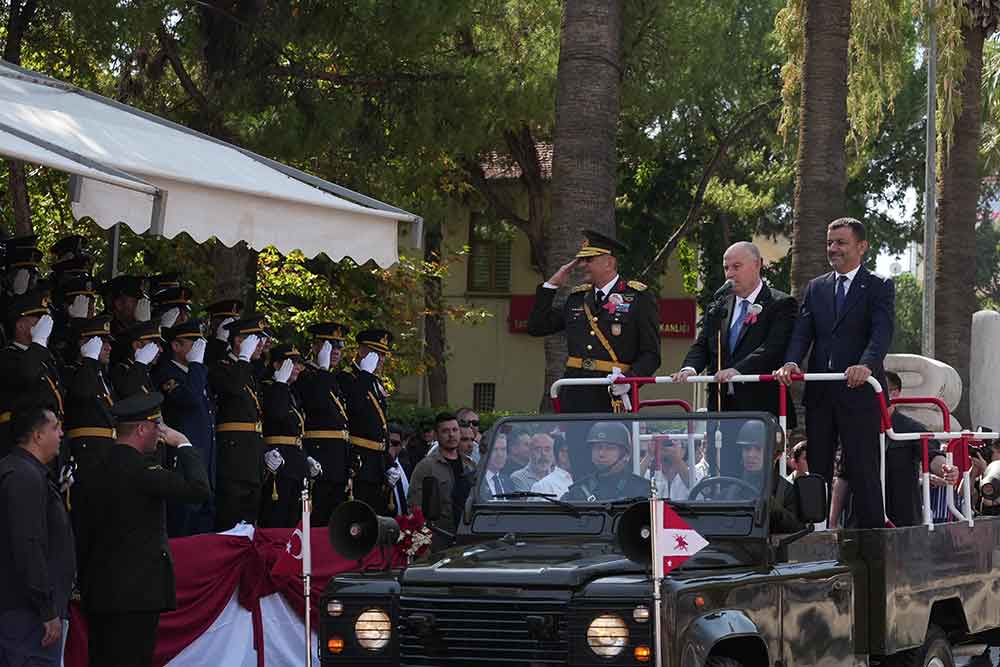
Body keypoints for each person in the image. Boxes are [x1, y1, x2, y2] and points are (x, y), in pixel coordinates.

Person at [776, 217, 895, 529]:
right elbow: (802, 334)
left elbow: (881, 333)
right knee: (817, 469)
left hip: (859, 393)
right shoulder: (816, 287)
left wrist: (866, 365)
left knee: (862, 468)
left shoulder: (879, 286)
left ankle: (872, 540)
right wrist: (790, 362)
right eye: (830, 242)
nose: (833, 249)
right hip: (821, 394)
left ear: (861, 247)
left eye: (840, 242)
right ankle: (814, 535)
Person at [77, 392, 209, 667]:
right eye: (156, 425)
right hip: (136, 596)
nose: (160, 432)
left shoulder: (94, 466)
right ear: (141, 428)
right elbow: (198, 490)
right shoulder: (142, 469)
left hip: (98, 590)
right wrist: (184, 444)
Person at [527, 229, 661, 413]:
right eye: (582, 260)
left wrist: (630, 380)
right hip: (574, 392)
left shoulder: (637, 297)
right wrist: (551, 285)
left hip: (612, 393)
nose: (582, 265)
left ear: (609, 262)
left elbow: (651, 354)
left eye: (588, 260)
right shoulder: (577, 297)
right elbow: (537, 326)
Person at [673, 242, 797, 428]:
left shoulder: (780, 303)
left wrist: (738, 370)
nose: (730, 273)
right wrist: (689, 368)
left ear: (757, 264)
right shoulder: (719, 306)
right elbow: (703, 345)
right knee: (721, 458)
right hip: (721, 406)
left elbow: (773, 347)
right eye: (726, 268)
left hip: (760, 406)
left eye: (736, 267)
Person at [828, 371, 957, 528]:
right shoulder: (855, 431)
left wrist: (946, 469)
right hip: (861, 523)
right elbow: (844, 478)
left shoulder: (912, 429)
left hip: (903, 522)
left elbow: (932, 455)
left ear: (894, 394)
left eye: (876, 390)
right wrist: (833, 522)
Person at [0, 408, 75, 667]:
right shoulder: (23, 477)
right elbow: (28, 545)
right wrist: (46, 609)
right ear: (37, 436)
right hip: (27, 616)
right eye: (55, 428)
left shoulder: (24, 472)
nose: (61, 433)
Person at [153, 318, 216, 536]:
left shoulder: (198, 373)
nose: (199, 348)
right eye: (193, 342)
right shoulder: (167, 372)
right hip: (182, 463)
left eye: (201, 343)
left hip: (204, 460)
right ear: (176, 346)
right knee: (184, 524)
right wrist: (197, 365)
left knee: (203, 527)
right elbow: (189, 400)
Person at [209, 314, 267, 530]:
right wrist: (242, 358)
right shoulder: (222, 367)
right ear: (238, 341)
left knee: (249, 522)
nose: (260, 344)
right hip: (233, 458)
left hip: (252, 457)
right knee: (230, 519)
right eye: (254, 338)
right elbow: (232, 389)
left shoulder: (249, 372)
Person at [296, 322, 352, 525]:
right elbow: (316, 404)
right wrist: (322, 369)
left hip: (337, 459)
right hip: (319, 456)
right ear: (315, 347)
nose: (335, 351)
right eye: (330, 346)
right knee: (318, 517)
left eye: (339, 347)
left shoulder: (331, 378)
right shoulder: (306, 375)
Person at [338, 329, 396, 516]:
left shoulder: (374, 382)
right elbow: (355, 407)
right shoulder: (348, 378)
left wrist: (388, 462)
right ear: (361, 351)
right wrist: (365, 374)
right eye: (375, 353)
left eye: (383, 355)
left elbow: (381, 427)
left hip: (377, 462)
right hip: (360, 461)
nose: (380, 359)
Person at [260, 344, 318, 528]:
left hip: (296, 462)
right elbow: (276, 413)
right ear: (277, 365)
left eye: (299, 363)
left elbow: (297, 431)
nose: (299, 368)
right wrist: (279, 384)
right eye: (292, 363)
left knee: (295, 519)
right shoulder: (269, 388)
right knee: (277, 519)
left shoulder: (291, 392)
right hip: (279, 463)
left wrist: (306, 457)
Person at [0, 291, 63, 458]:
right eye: (38, 320)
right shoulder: (7, 356)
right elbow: (26, 375)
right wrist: (39, 342)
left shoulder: (44, 359)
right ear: (20, 325)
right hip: (19, 442)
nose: (45, 325)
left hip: (47, 439)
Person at [407, 412, 475, 549]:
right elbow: (415, 508)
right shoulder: (426, 467)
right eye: (445, 431)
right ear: (436, 435)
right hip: (439, 540)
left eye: (455, 430)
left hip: (467, 537)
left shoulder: (470, 465)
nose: (451, 435)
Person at [563, 422, 648, 501]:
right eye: (597, 447)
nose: (601, 454)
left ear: (625, 454)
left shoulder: (641, 490)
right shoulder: (578, 491)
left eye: (610, 448)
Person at [104, 275, 152, 365]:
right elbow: (122, 352)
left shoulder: (126, 326)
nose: (141, 306)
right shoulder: (106, 328)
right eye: (136, 301)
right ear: (119, 304)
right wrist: (141, 326)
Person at [641, 434, 704, 500]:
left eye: (672, 444)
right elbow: (633, 482)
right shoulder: (649, 474)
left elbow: (696, 491)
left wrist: (676, 458)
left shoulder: (695, 472)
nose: (666, 447)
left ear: (683, 451)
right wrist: (649, 455)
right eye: (663, 444)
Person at [110, 320, 163, 398]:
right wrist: (141, 362)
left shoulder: (145, 369)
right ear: (137, 345)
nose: (160, 350)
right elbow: (127, 391)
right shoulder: (121, 370)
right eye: (154, 344)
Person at [204, 299, 242, 367]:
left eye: (234, 324)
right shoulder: (206, 345)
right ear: (213, 323)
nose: (232, 328)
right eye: (227, 323)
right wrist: (221, 341)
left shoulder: (236, 344)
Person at [480, 433, 513, 500]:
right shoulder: (473, 481)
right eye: (494, 449)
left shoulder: (508, 481)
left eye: (503, 449)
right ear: (483, 452)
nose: (500, 455)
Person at [386, 424, 410, 516]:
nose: (390, 447)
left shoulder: (406, 466)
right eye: (388, 442)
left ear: (401, 445)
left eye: (395, 443)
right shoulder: (375, 469)